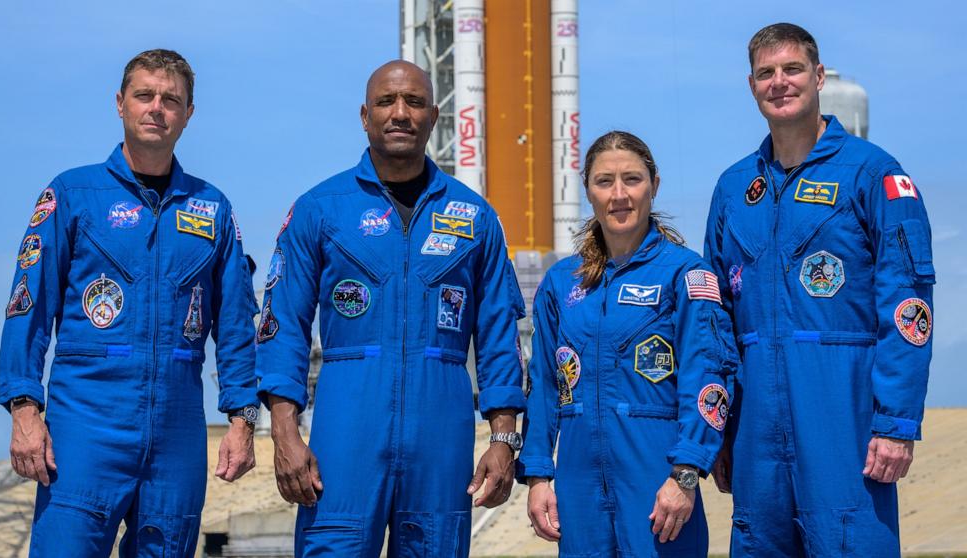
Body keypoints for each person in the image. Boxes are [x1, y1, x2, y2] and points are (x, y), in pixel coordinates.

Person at [255, 60, 526, 557]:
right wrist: (285, 432)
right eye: (386, 102)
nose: (400, 113)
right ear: (364, 115)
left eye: (414, 102)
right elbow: (282, 325)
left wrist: (504, 439)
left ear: (434, 116)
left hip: (441, 430)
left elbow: (498, 336)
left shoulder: (474, 217)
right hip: (345, 426)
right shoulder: (321, 208)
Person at [0, 49, 260, 557]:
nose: (156, 108)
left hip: (177, 434)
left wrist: (242, 419)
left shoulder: (212, 209)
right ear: (120, 103)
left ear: (188, 113)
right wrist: (24, 408)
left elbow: (235, 326)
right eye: (144, 95)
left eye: (171, 99)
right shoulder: (73, 193)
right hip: (86, 427)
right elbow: (27, 306)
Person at [704, 23, 934, 556]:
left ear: (818, 76)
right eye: (766, 73)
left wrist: (896, 423)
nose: (779, 82)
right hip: (756, 422)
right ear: (751, 84)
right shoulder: (735, 188)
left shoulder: (873, 174)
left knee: (850, 542)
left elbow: (908, 303)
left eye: (792, 69)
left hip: (842, 414)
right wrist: (718, 426)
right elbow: (713, 320)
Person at [518, 131, 738, 557]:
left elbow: (709, 377)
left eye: (632, 180)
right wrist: (539, 475)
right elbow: (544, 385)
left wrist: (686, 475)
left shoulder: (686, 275)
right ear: (588, 191)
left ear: (654, 186)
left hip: (659, 482)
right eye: (604, 181)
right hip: (580, 487)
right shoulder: (562, 284)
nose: (619, 195)